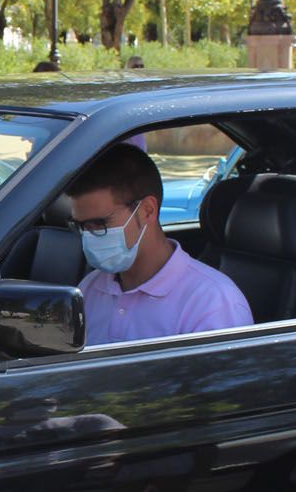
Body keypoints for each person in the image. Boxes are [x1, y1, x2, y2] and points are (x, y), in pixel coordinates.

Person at [64, 143, 252, 348]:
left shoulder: (212, 303)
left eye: (100, 224)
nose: (88, 236)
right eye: (80, 226)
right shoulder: (90, 288)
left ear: (147, 211)